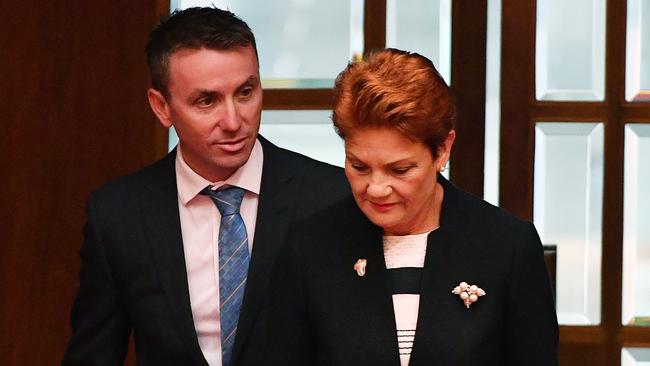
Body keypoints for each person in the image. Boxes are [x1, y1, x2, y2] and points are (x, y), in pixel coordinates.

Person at [61, 7, 349, 366]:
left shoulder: (332, 197)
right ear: (161, 107)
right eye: (207, 101)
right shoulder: (119, 216)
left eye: (246, 92)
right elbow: (94, 354)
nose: (233, 121)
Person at [267, 48, 559, 366]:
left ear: (443, 150)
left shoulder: (506, 246)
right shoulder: (311, 247)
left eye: (400, 170)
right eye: (359, 166)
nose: (377, 188)